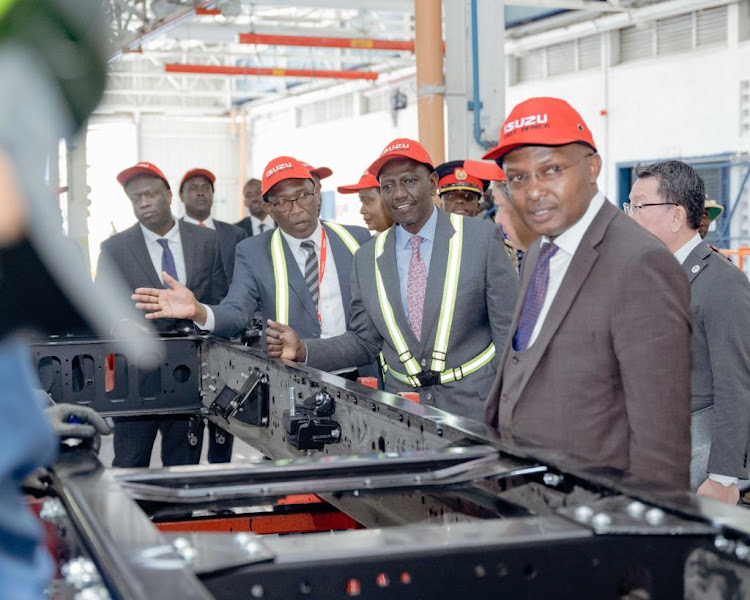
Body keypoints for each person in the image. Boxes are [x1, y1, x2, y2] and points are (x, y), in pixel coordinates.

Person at [482, 97, 692, 490]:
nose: (533, 191)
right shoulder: (539, 254)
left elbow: (661, 445)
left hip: (595, 517)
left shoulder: (640, 264)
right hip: (531, 502)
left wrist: (638, 542)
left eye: (551, 170)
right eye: (518, 178)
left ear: (592, 167)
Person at [264, 139, 519, 420]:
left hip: (475, 409)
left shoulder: (480, 239)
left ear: (433, 182)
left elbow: (508, 332)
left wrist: (512, 407)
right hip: (403, 413)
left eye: (409, 181)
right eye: (387, 186)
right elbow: (364, 342)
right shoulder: (368, 257)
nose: (398, 194)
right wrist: (303, 349)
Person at [132, 156, 373, 376]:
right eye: (282, 202)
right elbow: (236, 311)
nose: (297, 208)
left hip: (357, 373)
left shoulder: (356, 240)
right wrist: (199, 310)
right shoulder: (254, 251)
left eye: (303, 196)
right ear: (269, 209)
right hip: (294, 378)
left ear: (316, 193)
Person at [627, 160, 750, 503]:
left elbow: (736, 386)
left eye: (639, 206)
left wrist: (724, 477)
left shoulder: (722, 283)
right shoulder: (650, 275)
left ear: (677, 216)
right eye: (629, 205)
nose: (630, 216)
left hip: (697, 455)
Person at [98, 161, 228, 468]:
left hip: (190, 374)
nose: (143, 203)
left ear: (169, 195)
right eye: (135, 199)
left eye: (150, 194)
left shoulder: (206, 242)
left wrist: (200, 316)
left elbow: (220, 300)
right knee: (130, 464)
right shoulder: (114, 248)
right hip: (135, 379)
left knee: (184, 466)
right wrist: (119, 323)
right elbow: (100, 308)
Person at [179, 167, 247, 283]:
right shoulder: (171, 234)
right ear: (181, 196)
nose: (201, 193)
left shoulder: (236, 235)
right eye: (193, 188)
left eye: (206, 188)